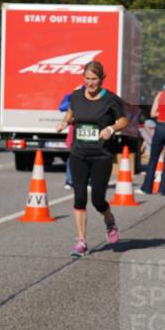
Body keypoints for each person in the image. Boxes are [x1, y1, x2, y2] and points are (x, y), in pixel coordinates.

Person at [56, 61, 127, 256]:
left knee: (97, 200)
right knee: (79, 198)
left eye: (94, 79)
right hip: (79, 153)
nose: (90, 83)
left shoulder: (110, 99)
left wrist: (110, 128)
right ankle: (81, 241)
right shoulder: (77, 95)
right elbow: (72, 113)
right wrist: (64, 122)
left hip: (101, 155)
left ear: (102, 79)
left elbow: (123, 120)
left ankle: (109, 221)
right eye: (87, 78)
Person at [58, 90, 76, 188]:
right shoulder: (74, 103)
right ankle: (69, 180)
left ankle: (88, 181)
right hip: (74, 137)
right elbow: (63, 109)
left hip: (86, 138)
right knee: (72, 158)